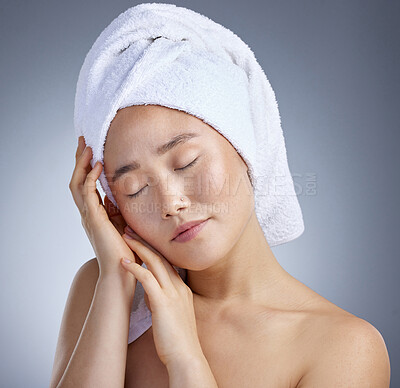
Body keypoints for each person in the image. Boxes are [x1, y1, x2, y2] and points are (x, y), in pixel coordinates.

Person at [50, 103, 390, 387]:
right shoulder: (104, 289)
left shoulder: (345, 348)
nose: (170, 202)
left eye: (186, 163)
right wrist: (115, 278)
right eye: (135, 188)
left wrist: (185, 360)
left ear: (244, 146)